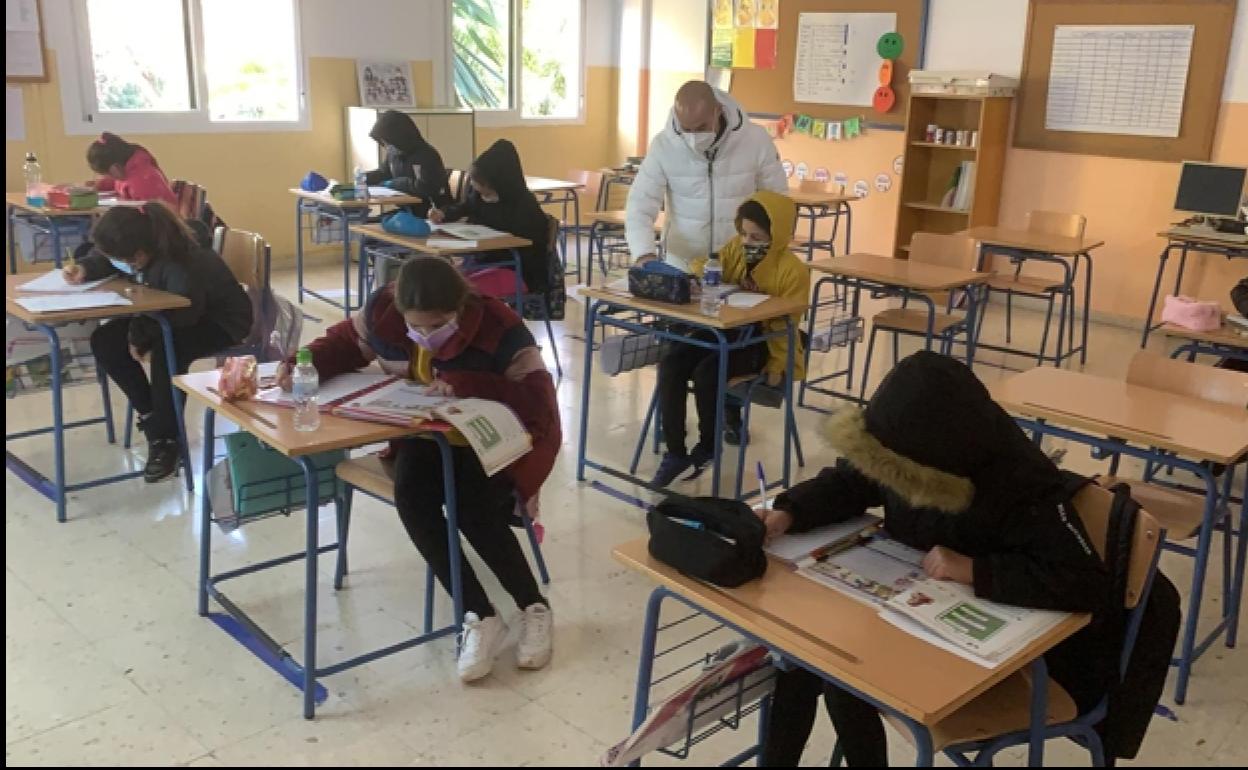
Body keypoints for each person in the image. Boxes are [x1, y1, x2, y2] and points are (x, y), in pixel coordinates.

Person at [756, 351, 1177, 767]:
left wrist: (973, 569)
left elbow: (1082, 581)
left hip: (992, 650)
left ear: (938, 464)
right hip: (912, 611)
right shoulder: (908, 442)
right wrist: (790, 511)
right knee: (798, 663)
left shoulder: (1021, 483)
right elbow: (853, 481)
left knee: (845, 682)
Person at [276, 256, 560, 683]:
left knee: (471, 503)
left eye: (437, 325)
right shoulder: (383, 313)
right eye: (417, 327)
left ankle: (532, 606)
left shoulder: (500, 328)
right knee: (412, 496)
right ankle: (479, 614)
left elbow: (538, 401)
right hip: (422, 431)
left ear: (461, 307)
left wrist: (470, 384)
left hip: (486, 437)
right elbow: (345, 344)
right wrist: (305, 365)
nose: (425, 336)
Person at [64, 203, 252, 482]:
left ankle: (166, 440)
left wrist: (140, 335)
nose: (116, 262)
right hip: (164, 314)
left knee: (169, 350)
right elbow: (105, 258)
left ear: (138, 255)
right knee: (104, 340)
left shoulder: (183, 263)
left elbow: (184, 312)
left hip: (216, 321)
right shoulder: (143, 245)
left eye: (121, 258)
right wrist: (85, 268)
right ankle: (155, 419)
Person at [650, 191, 809, 487]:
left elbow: (788, 324)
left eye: (758, 237)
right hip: (724, 331)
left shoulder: (793, 271)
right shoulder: (736, 248)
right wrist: (706, 273)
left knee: (708, 372)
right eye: (744, 234)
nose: (747, 242)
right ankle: (675, 452)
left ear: (777, 236)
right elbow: (708, 265)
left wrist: (777, 366)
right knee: (672, 362)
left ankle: (709, 446)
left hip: (761, 342)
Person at [625, 81, 787, 271]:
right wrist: (644, 254)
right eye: (687, 129)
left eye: (701, 127)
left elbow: (778, 201)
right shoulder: (663, 145)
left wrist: (767, 254)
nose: (694, 137)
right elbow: (640, 204)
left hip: (741, 262)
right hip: (682, 262)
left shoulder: (755, 140)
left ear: (718, 110)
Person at [429, 139, 558, 317]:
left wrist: (486, 244)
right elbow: (464, 207)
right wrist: (443, 214)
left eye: (483, 184)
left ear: (500, 181)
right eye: (475, 182)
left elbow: (525, 246)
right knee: (442, 283)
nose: (476, 188)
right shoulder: (479, 194)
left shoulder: (524, 205)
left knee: (459, 292)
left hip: (517, 270)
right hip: (485, 262)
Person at [365, 110, 453, 217]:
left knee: (377, 225)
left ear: (398, 137)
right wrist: (364, 178)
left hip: (430, 213)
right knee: (370, 221)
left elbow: (426, 188)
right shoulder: (394, 153)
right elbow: (384, 173)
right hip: (407, 210)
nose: (386, 146)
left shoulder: (427, 155)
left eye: (387, 141)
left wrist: (394, 183)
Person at [85, 132, 178, 207]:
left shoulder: (144, 180)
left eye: (106, 173)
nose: (107, 176)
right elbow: (116, 182)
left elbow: (153, 217)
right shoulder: (127, 169)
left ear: (115, 168)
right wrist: (98, 185)